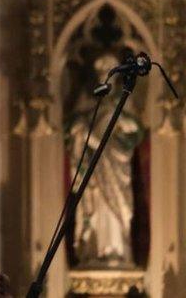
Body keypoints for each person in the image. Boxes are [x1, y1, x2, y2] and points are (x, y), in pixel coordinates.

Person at [66, 53, 145, 267]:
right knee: (95, 203)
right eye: (101, 71)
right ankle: (93, 251)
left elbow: (135, 131)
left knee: (117, 210)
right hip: (95, 167)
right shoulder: (89, 99)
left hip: (116, 164)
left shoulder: (123, 100)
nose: (105, 76)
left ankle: (118, 251)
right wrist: (80, 131)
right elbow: (74, 128)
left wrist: (120, 124)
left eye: (109, 71)